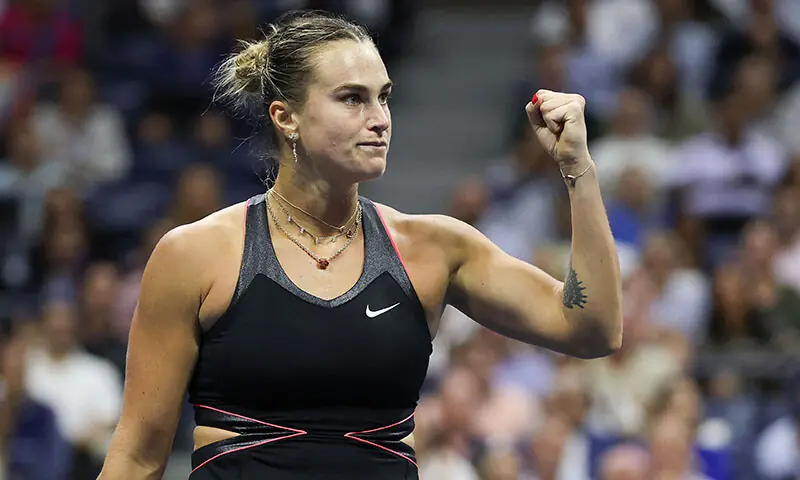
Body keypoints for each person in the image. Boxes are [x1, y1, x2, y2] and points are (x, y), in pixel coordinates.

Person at [98, 9, 622, 480]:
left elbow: (592, 327)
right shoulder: (195, 255)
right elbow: (139, 457)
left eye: (384, 97)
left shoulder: (434, 249)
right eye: (353, 98)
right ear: (286, 118)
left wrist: (578, 168)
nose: (380, 118)